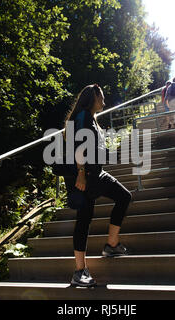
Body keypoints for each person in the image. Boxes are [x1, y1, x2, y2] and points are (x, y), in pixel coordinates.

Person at [63, 84, 132, 288]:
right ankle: (105, 249)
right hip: (88, 175)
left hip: (93, 173)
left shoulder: (90, 118)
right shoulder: (84, 116)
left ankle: (89, 263)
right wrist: (82, 173)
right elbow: (79, 144)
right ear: (92, 97)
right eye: (101, 97)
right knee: (123, 197)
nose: (104, 101)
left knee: (85, 219)